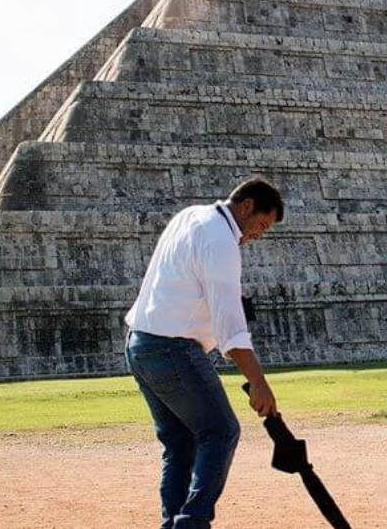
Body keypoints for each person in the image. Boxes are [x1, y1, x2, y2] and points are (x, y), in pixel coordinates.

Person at [124, 178, 284, 529]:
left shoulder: (190, 216)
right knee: (221, 431)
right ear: (246, 206)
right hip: (171, 348)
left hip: (139, 344)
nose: (259, 234)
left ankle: (175, 522)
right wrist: (258, 382)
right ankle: (192, 522)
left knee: (179, 444)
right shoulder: (220, 240)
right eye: (261, 224)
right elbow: (230, 325)